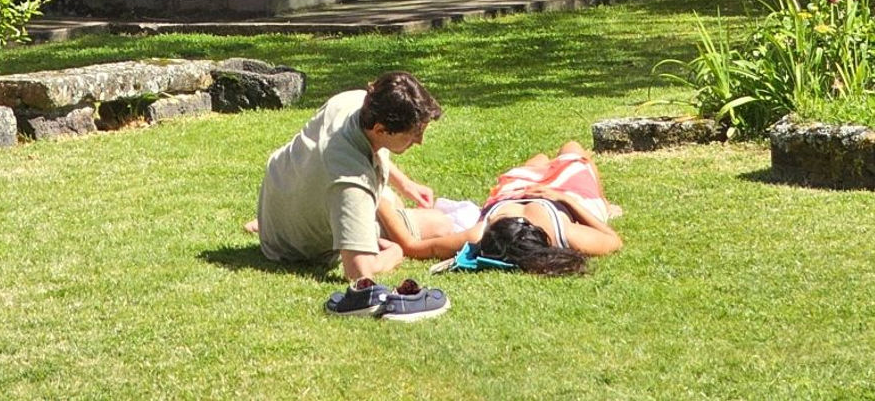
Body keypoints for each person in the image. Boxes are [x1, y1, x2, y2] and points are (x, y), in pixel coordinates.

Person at [255, 70, 442, 281]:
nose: (419, 141)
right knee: (439, 223)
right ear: (380, 129)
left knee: (394, 200)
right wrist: (395, 253)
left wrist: (405, 184)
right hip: (295, 250)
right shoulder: (349, 182)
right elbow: (359, 272)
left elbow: (373, 150)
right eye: (413, 135)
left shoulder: (352, 102)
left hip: (279, 213)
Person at [376, 140, 622, 276]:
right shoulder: (565, 233)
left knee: (537, 160)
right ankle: (605, 203)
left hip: (514, 190)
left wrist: (377, 200)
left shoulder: (479, 233)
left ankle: (546, 172)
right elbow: (613, 239)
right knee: (572, 150)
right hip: (566, 193)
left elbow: (411, 247)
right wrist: (566, 200)